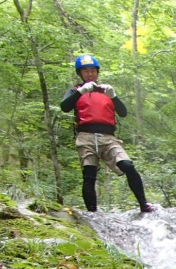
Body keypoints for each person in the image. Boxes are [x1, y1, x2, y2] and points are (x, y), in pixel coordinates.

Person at [60, 54, 155, 213]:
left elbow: (123, 112)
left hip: (109, 138)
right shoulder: (75, 91)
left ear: (97, 72)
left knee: (128, 166)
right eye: (85, 71)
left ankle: (143, 204)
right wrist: (80, 92)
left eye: (92, 70)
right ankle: (93, 213)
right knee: (89, 175)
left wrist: (114, 96)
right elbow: (65, 107)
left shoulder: (106, 91)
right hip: (86, 137)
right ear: (80, 74)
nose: (90, 74)